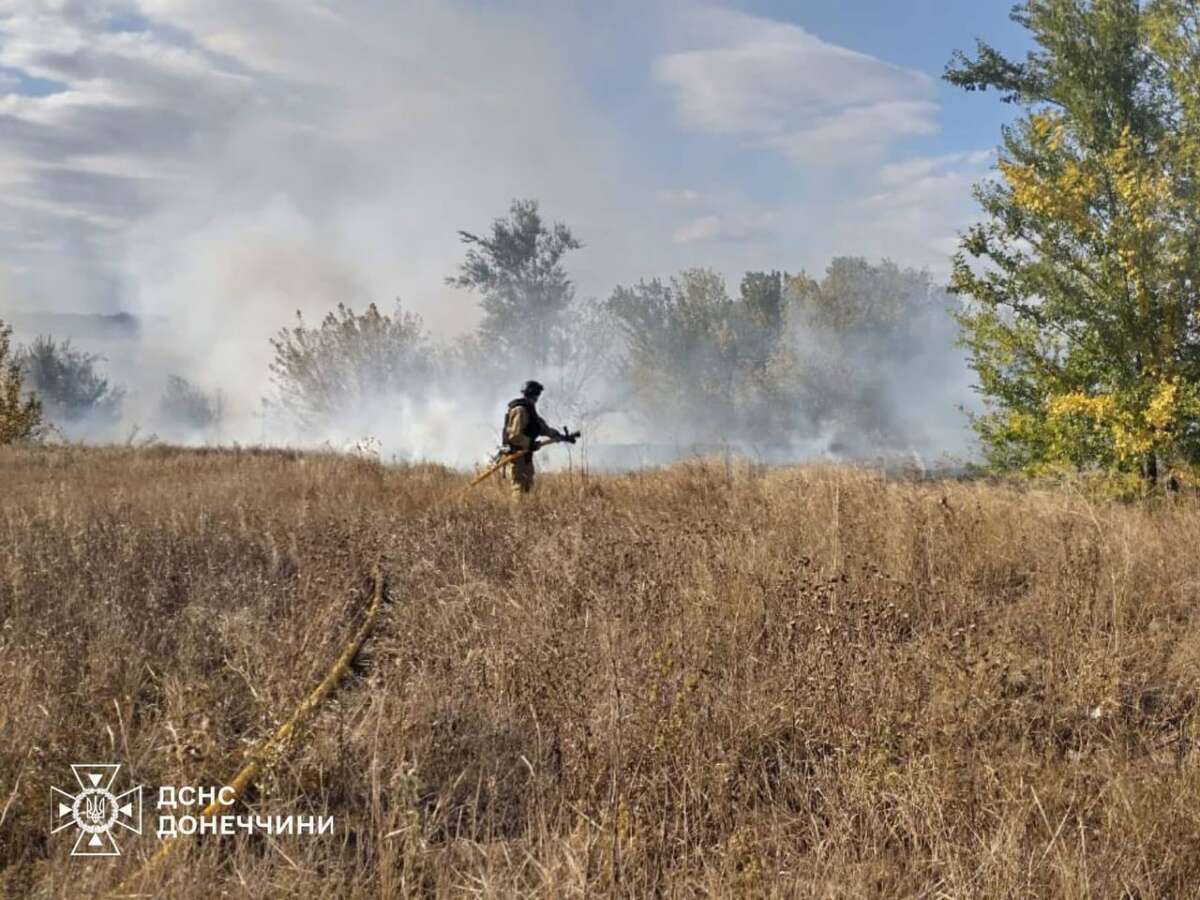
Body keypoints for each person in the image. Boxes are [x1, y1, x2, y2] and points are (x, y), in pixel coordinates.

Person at [502, 380, 567, 496]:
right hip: (517, 456)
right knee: (519, 488)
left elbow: (541, 428)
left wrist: (558, 435)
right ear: (534, 394)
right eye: (537, 395)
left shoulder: (529, 409)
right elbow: (515, 436)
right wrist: (530, 444)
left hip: (525, 455)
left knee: (528, 486)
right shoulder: (520, 410)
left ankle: (526, 507)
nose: (537, 398)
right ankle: (517, 508)